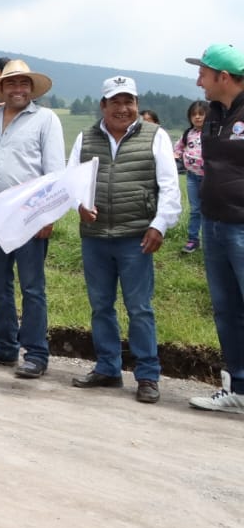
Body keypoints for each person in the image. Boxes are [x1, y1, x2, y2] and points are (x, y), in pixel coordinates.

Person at [68, 76, 180, 405]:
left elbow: (170, 186)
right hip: (95, 238)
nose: (123, 108)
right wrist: (79, 205)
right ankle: (108, 368)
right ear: (103, 105)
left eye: (128, 101)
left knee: (140, 308)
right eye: (115, 102)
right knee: (101, 306)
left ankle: (147, 375)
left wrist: (159, 225)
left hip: (136, 237)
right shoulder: (85, 137)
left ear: (137, 103)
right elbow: (72, 181)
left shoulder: (154, 136)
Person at [0, 59, 64, 379]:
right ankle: (5, 346)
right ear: (2, 88)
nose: (17, 89)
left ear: (31, 89)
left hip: (30, 217)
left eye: (23, 84)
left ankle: (36, 353)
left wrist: (47, 216)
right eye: (11, 84)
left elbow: (55, 173)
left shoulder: (46, 120)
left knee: (32, 287)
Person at [185, 44, 244, 414]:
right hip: (214, 223)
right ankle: (238, 388)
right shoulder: (214, 115)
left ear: (223, 76)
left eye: (203, 74)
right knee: (226, 310)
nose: (198, 81)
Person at [174, 100, 209, 253]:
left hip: (210, 178)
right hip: (192, 177)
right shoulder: (188, 134)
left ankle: (209, 240)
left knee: (210, 210)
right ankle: (193, 239)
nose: (197, 117)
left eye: (201, 114)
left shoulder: (212, 133)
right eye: (194, 114)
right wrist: (178, 156)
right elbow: (178, 148)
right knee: (195, 209)